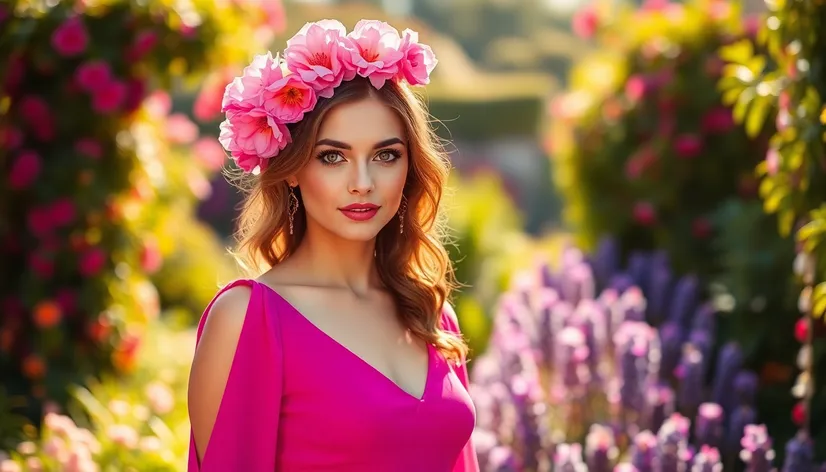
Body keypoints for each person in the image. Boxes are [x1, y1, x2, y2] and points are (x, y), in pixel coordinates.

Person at [187, 19, 480, 472]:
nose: (362, 183)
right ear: (292, 170)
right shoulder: (251, 320)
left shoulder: (430, 313)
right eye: (332, 157)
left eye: (385, 155)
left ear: (410, 168)